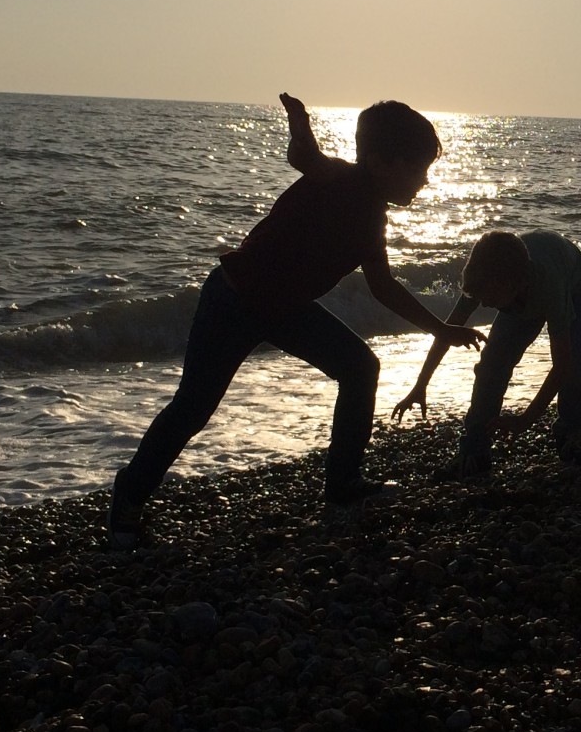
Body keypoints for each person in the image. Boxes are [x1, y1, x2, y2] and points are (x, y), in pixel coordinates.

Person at [108, 94, 484, 548]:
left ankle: (343, 485)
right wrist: (300, 121)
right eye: (418, 169)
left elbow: (383, 287)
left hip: (285, 310)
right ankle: (128, 498)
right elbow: (303, 156)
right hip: (235, 299)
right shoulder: (343, 180)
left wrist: (441, 329)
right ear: (382, 163)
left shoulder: (371, 214)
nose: (424, 181)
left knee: (360, 368)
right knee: (193, 407)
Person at [393, 228, 581, 477]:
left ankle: (571, 433)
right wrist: (420, 385)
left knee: (576, 363)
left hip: (573, 285)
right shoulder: (485, 280)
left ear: (512, 284)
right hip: (521, 295)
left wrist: (526, 419)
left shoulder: (551, 288)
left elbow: (561, 364)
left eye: (488, 297)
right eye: (478, 297)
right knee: (491, 365)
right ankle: (475, 450)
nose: (484, 304)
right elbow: (446, 332)